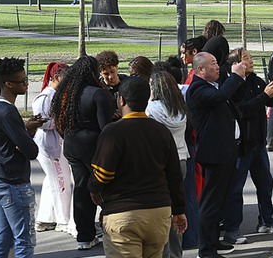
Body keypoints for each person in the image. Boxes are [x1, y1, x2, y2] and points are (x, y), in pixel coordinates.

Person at [89, 77, 187, 258]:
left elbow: (103, 174)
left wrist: (93, 189)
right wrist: (179, 210)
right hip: (159, 212)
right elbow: (174, 176)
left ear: (121, 100)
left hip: (123, 213)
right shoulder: (161, 131)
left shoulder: (113, 132)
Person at [221, 48, 273, 245]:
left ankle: (267, 220)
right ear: (235, 64)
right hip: (241, 146)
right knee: (235, 189)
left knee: (265, 184)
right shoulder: (232, 86)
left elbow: (269, 102)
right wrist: (265, 96)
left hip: (258, 143)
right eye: (246, 58)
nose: (250, 61)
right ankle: (232, 229)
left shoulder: (256, 81)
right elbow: (241, 110)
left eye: (250, 58)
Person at [186, 52, 248, 258]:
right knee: (210, 203)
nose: (217, 67)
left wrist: (240, 77)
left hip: (226, 151)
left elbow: (230, 99)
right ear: (200, 69)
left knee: (219, 201)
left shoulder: (213, 85)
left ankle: (213, 241)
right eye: (212, 64)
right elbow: (220, 97)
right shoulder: (197, 89)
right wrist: (236, 76)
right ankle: (206, 250)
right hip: (213, 154)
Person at [51, 55, 114, 250]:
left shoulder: (65, 94)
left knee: (81, 188)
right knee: (104, 187)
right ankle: (113, 229)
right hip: (92, 146)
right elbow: (105, 127)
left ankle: (84, 235)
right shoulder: (98, 94)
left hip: (71, 144)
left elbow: (58, 121)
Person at [0, 57, 46, 257]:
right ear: (8, 84)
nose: (27, 84)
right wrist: (25, 137)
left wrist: (24, 130)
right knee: (24, 240)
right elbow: (32, 151)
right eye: (23, 81)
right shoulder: (8, 112)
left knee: (3, 238)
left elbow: (14, 142)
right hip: (12, 183)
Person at [147, 71, 190, 258]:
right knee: (177, 210)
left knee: (163, 213)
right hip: (181, 159)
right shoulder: (179, 109)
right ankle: (176, 253)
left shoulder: (151, 109)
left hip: (161, 163)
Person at [32, 62, 75, 235]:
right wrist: (60, 122)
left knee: (52, 180)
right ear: (57, 77)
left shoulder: (57, 95)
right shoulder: (45, 97)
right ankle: (63, 220)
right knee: (61, 182)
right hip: (49, 146)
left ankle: (45, 217)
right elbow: (41, 122)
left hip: (56, 144)